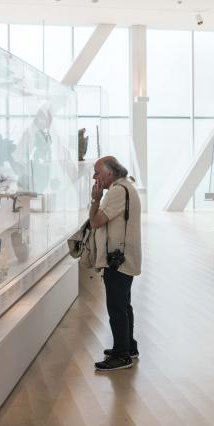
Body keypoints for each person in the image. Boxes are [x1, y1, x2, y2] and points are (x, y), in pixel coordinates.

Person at [89, 156, 142, 371]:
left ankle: (122, 355)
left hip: (118, 259)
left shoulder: (117, 191)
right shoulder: (126, 186)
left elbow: (95, 222)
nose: (95, 177)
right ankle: (128, 346)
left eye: (97, 172)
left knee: (116, 307)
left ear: (109, 173)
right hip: (124, 256)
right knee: (123, 304)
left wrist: (95, 198)